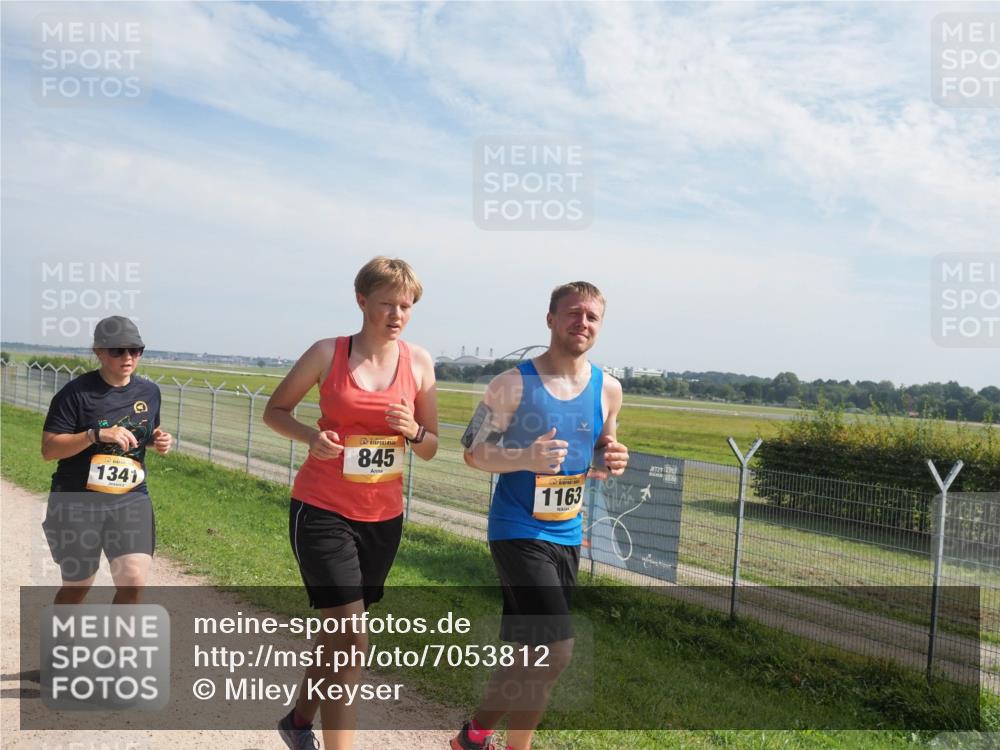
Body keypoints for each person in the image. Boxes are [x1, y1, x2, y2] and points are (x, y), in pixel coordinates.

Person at [263, 256, 438, 750]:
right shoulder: (327, 352)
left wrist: (415, 430)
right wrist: (308, 437)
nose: (398, 314)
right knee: (354, 638)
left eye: (407, 306)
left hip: (383, 517)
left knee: (337, 633)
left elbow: (431, 447)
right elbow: (275, 411)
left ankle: (297, 721)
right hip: (321, 508)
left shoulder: (420, 363)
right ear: (362, 301)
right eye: (388, 303)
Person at [452, 281, 629, 750]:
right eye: (573, 313)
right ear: (550, 319)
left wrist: (610, 460)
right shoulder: (511, 384)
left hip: (567, 533)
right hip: (517, 529)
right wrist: (525, 457)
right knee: (556, 648)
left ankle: (474, 736)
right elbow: (471, 451)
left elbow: (598, 452)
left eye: (592, 316)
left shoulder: (608, 389)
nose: (582, 323)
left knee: (531, 654)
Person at [40, 315, 173, 606]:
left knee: (133, 583)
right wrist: (93, 435)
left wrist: (157, 439)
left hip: (130, 499)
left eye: (135, 350)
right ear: (98, 352)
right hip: (77, 501)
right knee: (77, 588)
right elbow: (49, 449)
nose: (128, 357)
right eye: (117, 350)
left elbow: (144, 430)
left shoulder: (149, 392)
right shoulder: (75, 394)